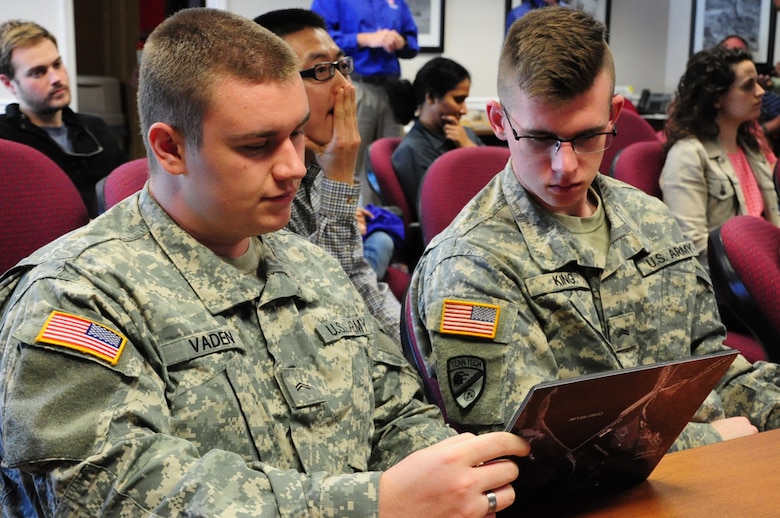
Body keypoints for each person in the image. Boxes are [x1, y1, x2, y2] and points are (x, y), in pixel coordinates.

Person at [0, 8, 530, 516]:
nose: (295, 167)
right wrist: (374, 507)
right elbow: (114, 493)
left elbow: (394, 412)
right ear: (169, 149)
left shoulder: (312, 266)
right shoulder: (76, 295)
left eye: (297, 133)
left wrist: (459, 478)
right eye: (258, 145)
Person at [408, 6, 780, 456]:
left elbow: (712, 369)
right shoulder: (470, 263)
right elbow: (525, 450)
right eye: (541, 138)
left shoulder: (651, 220)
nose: (565, 166)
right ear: (500, 122)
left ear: (614, 114)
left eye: (587, 136)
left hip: (707, 478)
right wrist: (715, 439)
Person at [254, 8, 401, 340]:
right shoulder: (257, 184)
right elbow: (329, 306)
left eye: (341, 66)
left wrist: (419, 358)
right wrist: (339, 179)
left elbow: (359, 281)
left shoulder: (317, 160)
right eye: (321, 70)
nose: (345, 87)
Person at [661, 45, 780, 270]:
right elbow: (693, 250)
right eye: (748, 86)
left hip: (767, 265)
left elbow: (771, 222)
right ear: (716, 98)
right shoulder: (688, 156)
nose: (760, 92)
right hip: (734, 284)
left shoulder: (751, 148)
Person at [0, 19, 125, 217]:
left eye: (57, 64)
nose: (56, 78)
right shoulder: (5, 143)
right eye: (38, 72)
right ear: (9, 84)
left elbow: (126, 198)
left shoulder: (96, 131)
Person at [311, 0, 419, 207]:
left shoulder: (398, 2)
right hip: (355, 84)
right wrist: (364, 39)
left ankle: (384, 225)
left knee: (390, 164)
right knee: (349, 161)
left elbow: (412, 43)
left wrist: (401, 41)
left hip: (391, 89)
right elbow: (319, 39)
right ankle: (345, 220)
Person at [389, 56, 483, 220]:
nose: (464, 110)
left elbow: (504, 184)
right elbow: (438, 213)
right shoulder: (411, 151)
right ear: (430, 97)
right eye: (458, 100)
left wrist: (469, 148)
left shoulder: (465, 134)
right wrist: (470, 156)